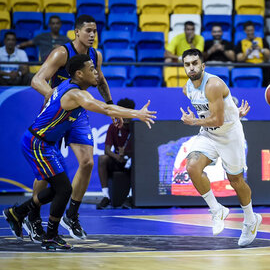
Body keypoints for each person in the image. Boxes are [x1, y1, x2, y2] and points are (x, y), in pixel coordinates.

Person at [3, 54, 156, 250]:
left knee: (59, 189)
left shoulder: (69, 85)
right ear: (79, 73)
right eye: (91, 69)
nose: (96, 72)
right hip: (37, 143)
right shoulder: (76, 94)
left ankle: (17, 213)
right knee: (64, 189)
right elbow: (106, 109)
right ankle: (49, 235)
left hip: (45, 143)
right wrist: (137, 114)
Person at [26, 14, 121, 243]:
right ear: (76, 32)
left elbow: (101, 81)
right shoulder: (62, 52)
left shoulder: (95, 55)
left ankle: (72, 214)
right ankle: (33, 215)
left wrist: (111, 106)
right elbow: (37, 80)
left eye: (95, 31)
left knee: (87, 161)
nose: (92, 35)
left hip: (77, 114)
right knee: (45, 172)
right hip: (56, 114)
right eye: (88, 30)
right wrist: (56, 99)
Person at [179, 48, 261, 247]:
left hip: (230, 136)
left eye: (195, 63)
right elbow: (213, 110)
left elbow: (217, 118)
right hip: (209, 134)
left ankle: (250, 219)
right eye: (187, 64)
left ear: (203, 65)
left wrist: (193, 122)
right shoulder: (187, 88)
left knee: (236, 180)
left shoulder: (213, 84)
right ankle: (216, 210)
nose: (191, 67)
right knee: (191, 167)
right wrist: (234, 111)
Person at [96, 98, 136, 210]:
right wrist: (117, 156)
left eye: (129, 112)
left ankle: (130, 197)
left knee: (138, 161)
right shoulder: (113, 127)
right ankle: (106, 196)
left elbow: (142, 150)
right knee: (102, 159)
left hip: (132, 161)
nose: (126, 116)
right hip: (118, 160)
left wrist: (128, 153)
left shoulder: (137, 127)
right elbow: (107, 150)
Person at [235, 21, 270, 86]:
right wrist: (248, 52)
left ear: (254, 30)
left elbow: (268, 56)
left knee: (269, 65)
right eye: (248, 30)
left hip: (261, 63)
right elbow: (238, 58)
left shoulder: (262, 40)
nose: (250, 32)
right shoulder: (240, 43)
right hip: (247, 64)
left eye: (251, 30)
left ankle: (265, 86)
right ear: (245, 31)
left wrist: (260, 49)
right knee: (237, 66)